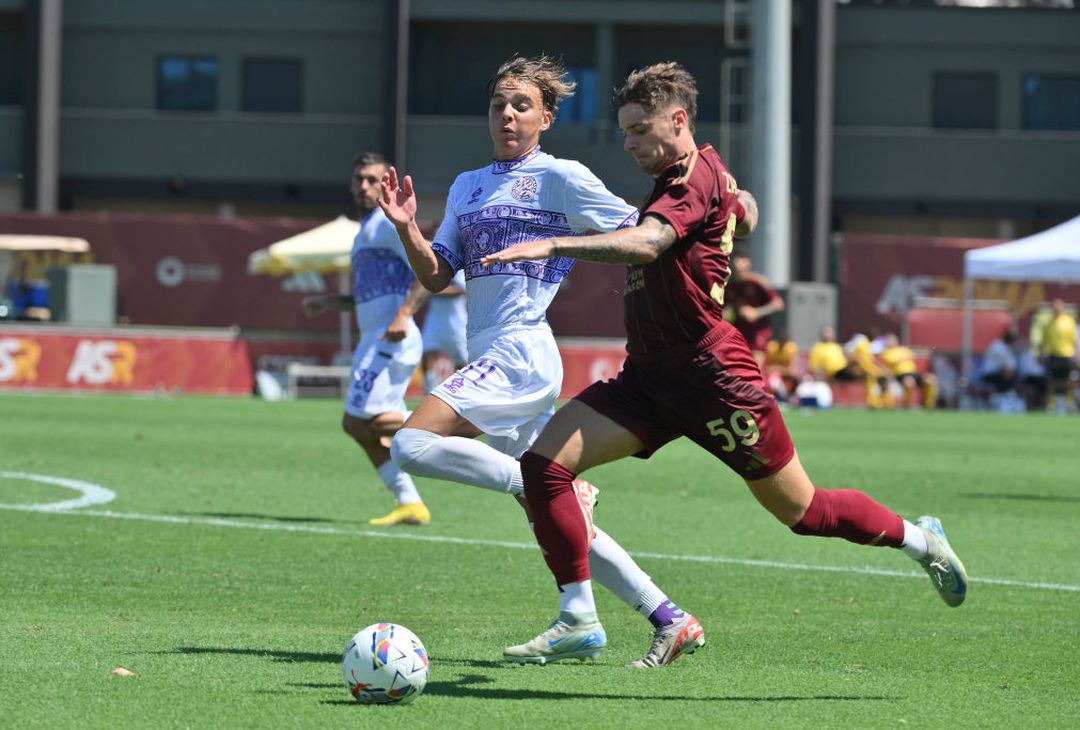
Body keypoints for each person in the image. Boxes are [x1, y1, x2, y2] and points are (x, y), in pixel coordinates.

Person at [482, 61, 968, 663]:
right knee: (543, 466)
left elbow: (650, 242)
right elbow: (744, 210)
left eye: (638, 130)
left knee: (804, 511)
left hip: (714, 379)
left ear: (677, 120)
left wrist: (554, 242)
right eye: (626, 130)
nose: (629, 143)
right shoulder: (691, 175)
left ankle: (922, 541)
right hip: (650, 379)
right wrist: (740, 203)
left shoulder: (686, 176)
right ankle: (578, 616)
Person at [378, 55, 703, 668]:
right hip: (495, 351)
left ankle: (548, 489)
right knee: (548, 508)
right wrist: (406, 230)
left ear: (546, 117)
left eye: (522, 104)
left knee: (409, 446)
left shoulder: (560, 176)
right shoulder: (469, 185)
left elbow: (641, 235)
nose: (507, 113)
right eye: (499, 103)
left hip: (521, 349)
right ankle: (666, 616)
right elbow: (438, 272)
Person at [302, 152, 432, 527]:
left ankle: (458, 424)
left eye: (372, 180)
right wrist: (330, 302)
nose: (363, 186)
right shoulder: (364, 232)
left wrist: (404, 313)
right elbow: (369, 295)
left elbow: (428, 270)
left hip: (393, 339)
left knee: (369, 419)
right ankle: (410, 502)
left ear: (385, 184)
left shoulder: (389, 225)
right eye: (358, 179)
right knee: (356, 425)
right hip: (373, 340)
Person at [724, 246, 785, 370]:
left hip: (758, 334)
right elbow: (727, 309)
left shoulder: (758, 282)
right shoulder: (730, 286)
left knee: (755, 367)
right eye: (735, 259)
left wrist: (756, 313)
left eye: (741, 259)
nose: (737, 263)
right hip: (739, 334)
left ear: (748, 262)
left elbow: (778, 304)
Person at [419, 269, 468, 392]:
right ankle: (429, 392)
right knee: (427, 355)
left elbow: (460, 289)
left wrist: (432, 290)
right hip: (434, 319)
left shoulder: (457, 270)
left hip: (456, 322)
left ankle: (463, 392)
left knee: (462, 363)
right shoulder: (432, 269)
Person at [879, 333, 939, 409]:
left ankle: (928, 404)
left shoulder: (904, 349)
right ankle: (906, 404)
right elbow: (891, 361)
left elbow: (911, 355)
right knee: (909, 382)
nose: (889, 342)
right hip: (900, 375)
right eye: (888, 341)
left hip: (913, 373)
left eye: (891, 340)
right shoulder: (886, 352)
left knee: (930, 379)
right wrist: (902, 358)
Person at [1040, 298, 1078, 413]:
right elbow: (1044, 341)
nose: (1057, 309)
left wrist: (1077, 356)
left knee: (1070, 380)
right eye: (1054, 307)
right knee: (1050, 380)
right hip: (1053, 356)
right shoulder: (1048, 323)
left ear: (1063, 308)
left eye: (1059, 306)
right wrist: (1041, 355)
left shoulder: (1069, 322)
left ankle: (1070, 403)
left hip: (1066, 356)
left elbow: (1074, 340)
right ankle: (1050, 404)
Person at [763, 329, 799, 402]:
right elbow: (767, 368)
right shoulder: (772, 347)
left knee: (795, 377)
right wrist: (778, 369)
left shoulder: (791, 348)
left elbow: (792, 370)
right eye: (781, 339)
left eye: (784, 340)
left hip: (785, 375)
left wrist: (778, 369)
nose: (782, 342)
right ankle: (776, 399)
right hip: (774, 374)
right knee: (773, 380)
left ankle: (789, 397)